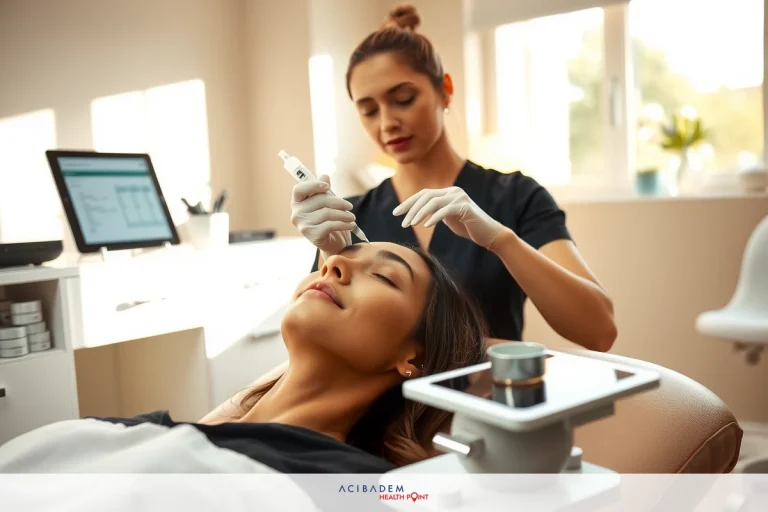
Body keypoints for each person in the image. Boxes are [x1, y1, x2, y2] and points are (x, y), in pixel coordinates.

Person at [290, 4, 617, 352]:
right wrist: (328, 255)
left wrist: (500, 240)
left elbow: (598, 331)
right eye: (369, 110)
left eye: (403, 99)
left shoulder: (516, 197)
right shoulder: (352, 218)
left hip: (491, 387)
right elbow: (312, 349)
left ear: (445, 89)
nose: (386, 124)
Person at [0, 242, 486, 475]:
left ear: (414, 358)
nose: (333, 263)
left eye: (382, 276)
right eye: (334, 260)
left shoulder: (352, 486)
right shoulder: (153, 437)